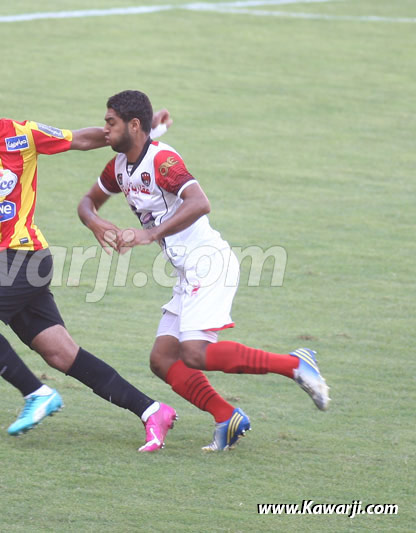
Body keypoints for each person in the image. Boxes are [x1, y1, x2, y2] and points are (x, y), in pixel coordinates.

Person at [0, 70, 176, 451]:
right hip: (2, 264)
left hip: (24, 254)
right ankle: (151, 409)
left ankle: (36, 393)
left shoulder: (23, 135)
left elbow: (84, 139)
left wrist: (142, 129)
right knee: (61, 353)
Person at [77, 90, 330, 451]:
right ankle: (226, 416)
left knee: (194, 353)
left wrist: (150, 234)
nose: (104, 129)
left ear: (133, 125)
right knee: (162, 360)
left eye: (110, 122)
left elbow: (200, 202)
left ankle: (293, 363)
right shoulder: (119, 167)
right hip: (187, 271)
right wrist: (95, 222)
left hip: (209, 262)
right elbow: (87, 202)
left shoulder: (163, 161)